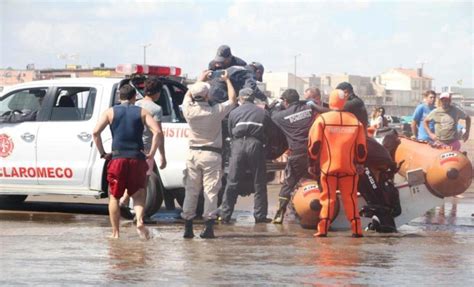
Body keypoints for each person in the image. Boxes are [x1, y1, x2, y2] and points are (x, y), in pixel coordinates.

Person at [92, 84, 166, 239]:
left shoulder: (110, 112)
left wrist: (103, 153)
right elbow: (158, 132)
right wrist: (151, 153)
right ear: (134, 97)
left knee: (114, 196)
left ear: (120, 97)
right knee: (139, 194)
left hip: (117, 158)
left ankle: (115, 233)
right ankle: (139, 221)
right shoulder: (142, 112)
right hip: (137, 158)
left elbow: (95, 132)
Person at [181, 70, 237, 239]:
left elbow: (188, 94)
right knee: (211, 191)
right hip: (211, 156)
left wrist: (199, 80)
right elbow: (233, 100)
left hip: (193, 154)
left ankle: (188, 227)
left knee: (191, 190)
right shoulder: (215, 112)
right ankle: (208, 228)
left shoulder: (188, 111)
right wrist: (227, 80)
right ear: (207, 96)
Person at [308, 89, 367, 237]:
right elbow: (361, 148)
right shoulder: (355, 121)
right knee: (351, 199)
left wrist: (311, 162)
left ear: (331, 100)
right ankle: (357, 230)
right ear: (344, 102)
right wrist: (360, 163)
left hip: (328, 168)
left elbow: (314, 145)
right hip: (349, 168)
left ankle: (322, 230)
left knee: (328, 199)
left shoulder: (322, 119)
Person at [219, 88, 271, 224]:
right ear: (253, 99)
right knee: (259, 182)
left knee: (232, 181)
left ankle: (225, 215)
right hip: (256, 145)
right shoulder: (263, 112)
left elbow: (230, 132)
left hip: (238, 145)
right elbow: (268, 133)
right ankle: (260, 216)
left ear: (240, 99)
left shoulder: (234, 112)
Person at [119, 77, 167, 219]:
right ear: (157, 92)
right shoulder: (156, 109)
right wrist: (161, 155)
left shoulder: (136, 104)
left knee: (134, 180)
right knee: (143, 183)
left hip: (131, 147)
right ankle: (140, 215)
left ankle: (125, 201)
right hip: (146, 150)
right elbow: (158, 133)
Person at [271, 89, 320, 224]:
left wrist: (277, 105)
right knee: (322, 181)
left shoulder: (280, 116)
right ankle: (326, 210)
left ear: (286, 102)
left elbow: (271, 115)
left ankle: (280, 213)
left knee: (288, 184)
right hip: (315, 153)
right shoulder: (309, 108)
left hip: (297, 154)